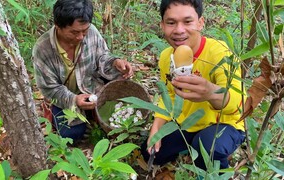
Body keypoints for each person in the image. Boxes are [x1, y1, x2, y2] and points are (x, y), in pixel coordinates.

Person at [141, 0, 245, 171]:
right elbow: (169, 96)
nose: (179, 30)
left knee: (207, 147)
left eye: (187, 21)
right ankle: (188, 148)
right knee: (150, 152)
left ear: (200, 23)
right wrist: (156, 129)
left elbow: (236, 104)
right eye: (171, 22)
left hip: (224, 123)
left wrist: (211, 93)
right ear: (162, 25)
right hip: (187, 123)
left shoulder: (220, 53)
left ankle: (215, 164)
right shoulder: (167, 57)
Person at [32, 0, 133, 140]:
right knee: (72, 135)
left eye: (84, 31)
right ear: (58, 26)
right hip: (65, 96)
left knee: (114, 118)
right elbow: (50, 89)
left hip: (90, 86)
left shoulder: (92, 33)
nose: (80, 37)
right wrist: (74, 100)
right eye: (74, 32)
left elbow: (102, 57)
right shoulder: (43, 49)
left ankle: (93, 112)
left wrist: (115, 62)